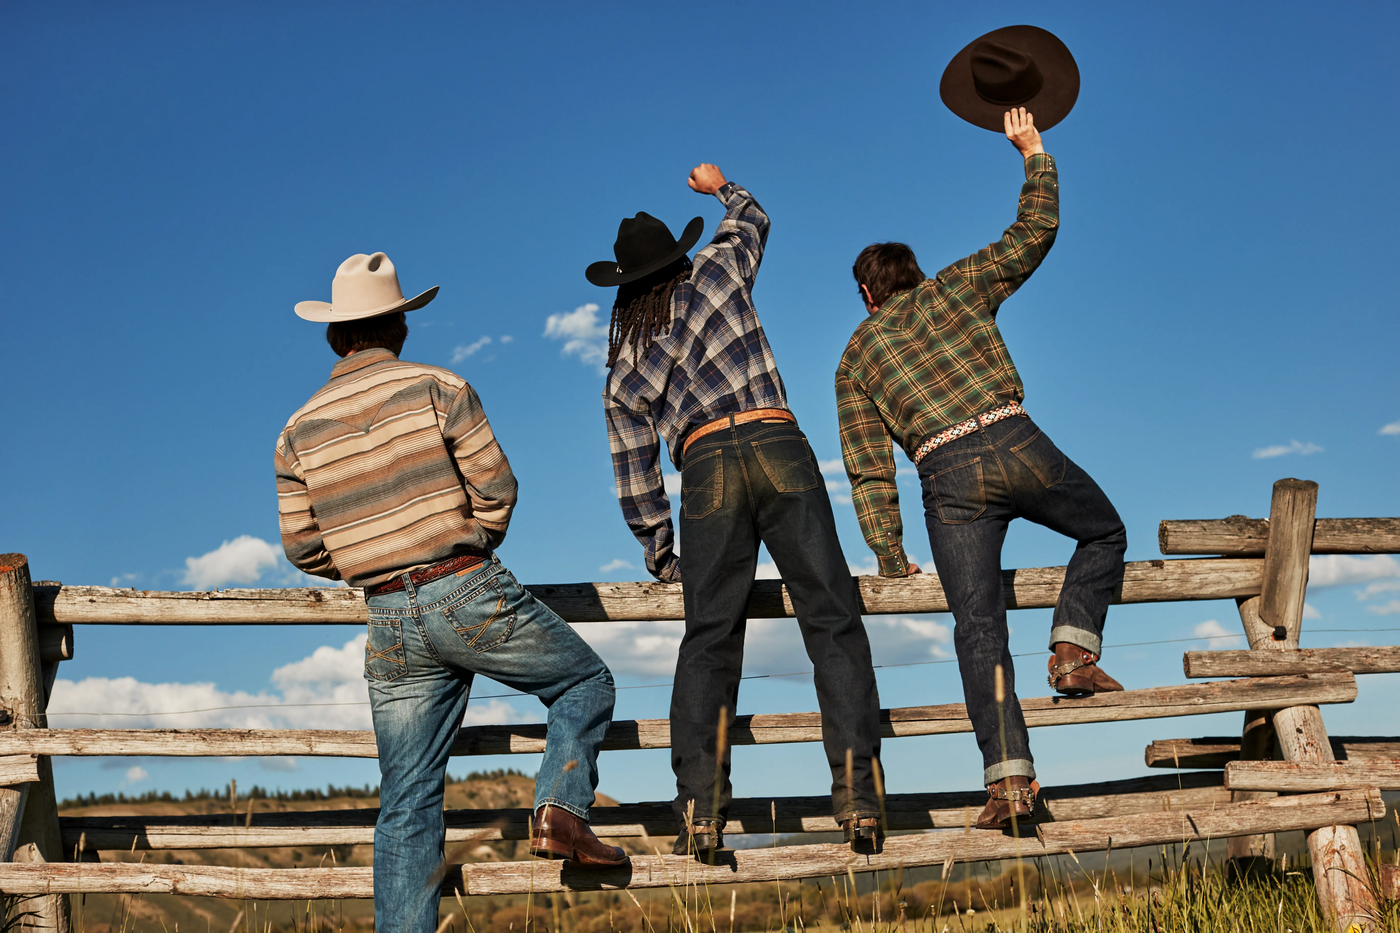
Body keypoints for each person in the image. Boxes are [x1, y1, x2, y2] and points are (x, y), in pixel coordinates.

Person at [275, 252, 626, 933]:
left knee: (407, 798)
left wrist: (367, 558)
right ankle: (561, 811)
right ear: (400, 327)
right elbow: (498, 488)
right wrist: (467, 544)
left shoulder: (297, 430)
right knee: (585, 682)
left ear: (333, 336)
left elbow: (302, 546)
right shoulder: (440, 386)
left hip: (388, 615)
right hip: (463, 586)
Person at [836, 87, 1127, 828]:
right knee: (1104, 532)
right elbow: (1033, 231)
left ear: (869, 294)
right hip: (1014, 439)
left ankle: (1010, 785)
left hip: (947, 477)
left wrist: (890, 554)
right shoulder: (959, 286)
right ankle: (1072, 650)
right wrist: (1034, 155)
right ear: (914, 274)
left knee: (977, 627)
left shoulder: (857, 353)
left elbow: (870, 465)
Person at [586, 164, 885, 859]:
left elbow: (633, 469)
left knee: (710, 638)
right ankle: (861, 802)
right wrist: (719, 185)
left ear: (625, 287)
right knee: (833, 617)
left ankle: (699, 814)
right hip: (777, 438)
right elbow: (754, 214)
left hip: (705, 463)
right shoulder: (717, 271)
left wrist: (660, 550)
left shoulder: (626, 356)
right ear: (680, 254)